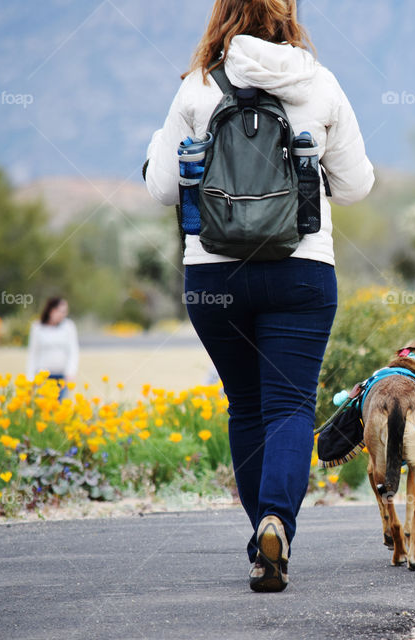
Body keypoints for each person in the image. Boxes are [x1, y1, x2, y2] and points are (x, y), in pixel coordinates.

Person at [145, 0, 374, 592]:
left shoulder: (197, 87)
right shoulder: (319, 83)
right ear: (288, 15)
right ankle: (279, 520)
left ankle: (262, 541)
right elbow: (355, 187)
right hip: (301, 272)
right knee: (291, 406)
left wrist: (157, 147)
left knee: (245, 406)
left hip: (215, 278)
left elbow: (163, 188)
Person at [26, 297, 79, 401]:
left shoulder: (69, 326)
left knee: (59, 408)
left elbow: (73, 352)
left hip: (61, 376)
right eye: (60, 311)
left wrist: (71, 372)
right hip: (42, 377)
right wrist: (30, 378)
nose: (63, 314)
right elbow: (33, 353)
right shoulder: (37, 327)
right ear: (51, 310)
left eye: (65, 312)